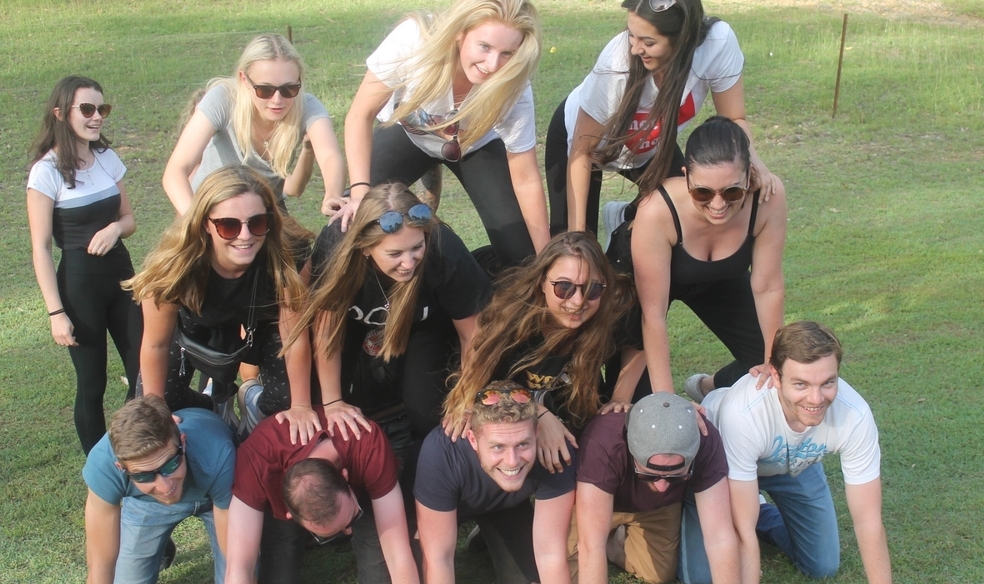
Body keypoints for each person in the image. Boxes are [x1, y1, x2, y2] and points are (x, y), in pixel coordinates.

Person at [682, 321, 919, 584]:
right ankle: (711, 390)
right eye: (801, 384)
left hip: (794, 465)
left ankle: (764, 508)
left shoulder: (855, 414)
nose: (816, 398)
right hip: (724, 463)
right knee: (701, 575)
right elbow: (742, 531)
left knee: (823, 564)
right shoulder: (743, 415)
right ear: (775, 377)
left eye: (828, 383)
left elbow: (868, 519)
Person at [546, 0, 780, 237]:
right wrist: (578, 239)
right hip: (583, 147)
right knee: (570, 247)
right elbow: (582, 151)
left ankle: (626, 220)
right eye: (631, 35)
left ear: (682, 40)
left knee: (689, 210)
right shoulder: (615, 66)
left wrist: (755, 163)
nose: (635, 49)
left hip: (652, 147)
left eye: (648, 42)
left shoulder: (717, 43)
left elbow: (734, 118)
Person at [341, 0, 549, 267]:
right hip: (408, 135)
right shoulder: (414, 40)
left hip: (474, 147)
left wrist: (546, 261)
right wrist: (360, 193)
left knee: (522, 256)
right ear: (460, 33)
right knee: (349, 222)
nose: (492, 65)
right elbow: (359, 116)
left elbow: (525, 177)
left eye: (507, 53)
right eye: (485, 46)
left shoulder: (514, 84)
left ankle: (478, 284)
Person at [292, 182, 491, 475]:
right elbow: (326, 331)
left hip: (424, 326)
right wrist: (333, 401)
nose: (409, 262)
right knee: (332, 410)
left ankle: (430, 479)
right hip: (349, 327)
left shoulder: (442, 247)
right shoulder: (338, 246)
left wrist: (467, 398)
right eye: (395, 253)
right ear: (365, 249)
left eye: (416, 247)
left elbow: (472, 334)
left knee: (429, 415)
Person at [221, 410, 431, 584]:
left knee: (379, 583)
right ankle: (307, 540)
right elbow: (239, 565)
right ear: (288, 515)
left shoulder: (365, 440)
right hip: (288, 495)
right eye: (329, 533)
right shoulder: (257, 456)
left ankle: (341, 522)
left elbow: (398, 551)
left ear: (344, 475)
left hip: (362, 489)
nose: (348, 531)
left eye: (350, 518)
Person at [125, 165, 319, 443]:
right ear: (205, 223)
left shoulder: (286, 253)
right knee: (158, 400)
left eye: (257, 223)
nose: (245, 236)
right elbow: (155, 344)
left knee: (290, 399)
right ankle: (212, 407)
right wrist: (158, 411)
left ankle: (253, 402)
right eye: (228, 225)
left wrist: (300, 406)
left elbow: (295, 338)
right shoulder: (173, 266)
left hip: (264, 323)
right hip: (196, 322)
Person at [570, 392, 758, 584]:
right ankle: (614, 531)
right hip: (602, 501)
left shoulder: (705, 440)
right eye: (650, 474)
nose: (661, 485)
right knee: (566, 577)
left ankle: (618, 543)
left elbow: (720, 536)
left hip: (657, 510)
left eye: (675, 476)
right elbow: (589, 546)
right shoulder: (605, 441)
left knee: (657, 574)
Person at [608, 116, 786, 402]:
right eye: (702, 192)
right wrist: (667, 402)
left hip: (716, 277)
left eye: (732, 191)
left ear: (750, 175)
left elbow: (768, 287)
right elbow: (653, 317)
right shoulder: (657, 208)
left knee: (777, 366)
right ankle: (620, 222)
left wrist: (771, 363)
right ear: (685, 176)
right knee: (631, 402)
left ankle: (708, 387)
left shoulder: (767, 199)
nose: (718, 205)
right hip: (646, 271)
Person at [415, 382, 580, 584]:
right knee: (394, 579)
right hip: (446, 509)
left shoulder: (554, 450)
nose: (513, 460)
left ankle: (487, 537)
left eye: (523, 445)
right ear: (473, 439)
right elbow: (437, 558)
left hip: (505, 506)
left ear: (537, 435)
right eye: (498, 447)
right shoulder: (442, 451)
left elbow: (551, 550)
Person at [442, 232, 632, 472]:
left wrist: (621, 396)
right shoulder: (512, 321)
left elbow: (637, 340)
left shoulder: (605, 311)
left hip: (569, 402)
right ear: (542, 282)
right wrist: (539, 415)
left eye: (592, 288)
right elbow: (485, 385)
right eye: (564, 287)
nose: (578, 301)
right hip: (511, 410)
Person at [27, 75, 142, 455]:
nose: (97, 117)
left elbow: (129, 220)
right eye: (88, 109)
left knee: (143, 370)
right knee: (92, 383)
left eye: (102, 109)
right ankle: (100, 466)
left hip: (123, 280)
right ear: (61, 113)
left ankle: (138, 448)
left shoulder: (107, 158)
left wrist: (114, 229)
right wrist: (55, 312)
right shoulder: (45, 173)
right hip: (80, 288)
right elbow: (40, 248)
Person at [83, 396, 235, 584]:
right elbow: (100, 568)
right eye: (144, 475)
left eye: (169, 465)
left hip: (216, 496)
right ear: (122, 469)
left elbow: (239, 566)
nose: (164, 486)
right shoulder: (103, 464)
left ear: (183, 444)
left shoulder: (218, 454)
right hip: (147, 505)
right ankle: (160, 542)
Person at [163, 33, 346, 217]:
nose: (277, 100)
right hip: (210, 209)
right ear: (244, 80)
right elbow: (176, 170)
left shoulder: (307, 106)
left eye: (289, 89)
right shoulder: (223, 99)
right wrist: (195, 221)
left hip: (265, 212)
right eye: (265, 89)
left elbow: (330, 155)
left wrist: (332, 194)